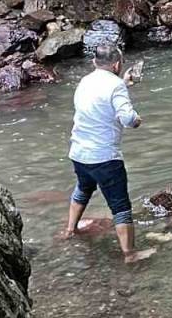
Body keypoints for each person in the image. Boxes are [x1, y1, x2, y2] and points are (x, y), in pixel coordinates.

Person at [62, 43, 155, 263]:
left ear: (95, 62)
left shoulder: (85, 81)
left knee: (83, 187)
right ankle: (130, 254)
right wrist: (137, 119)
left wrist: (124, 83)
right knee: (120, 205)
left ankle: (70, 230)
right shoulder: (116, 86)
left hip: (79, 152)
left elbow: (100, 100)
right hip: (104, 157)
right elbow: (128, 119)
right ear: (116, 65)